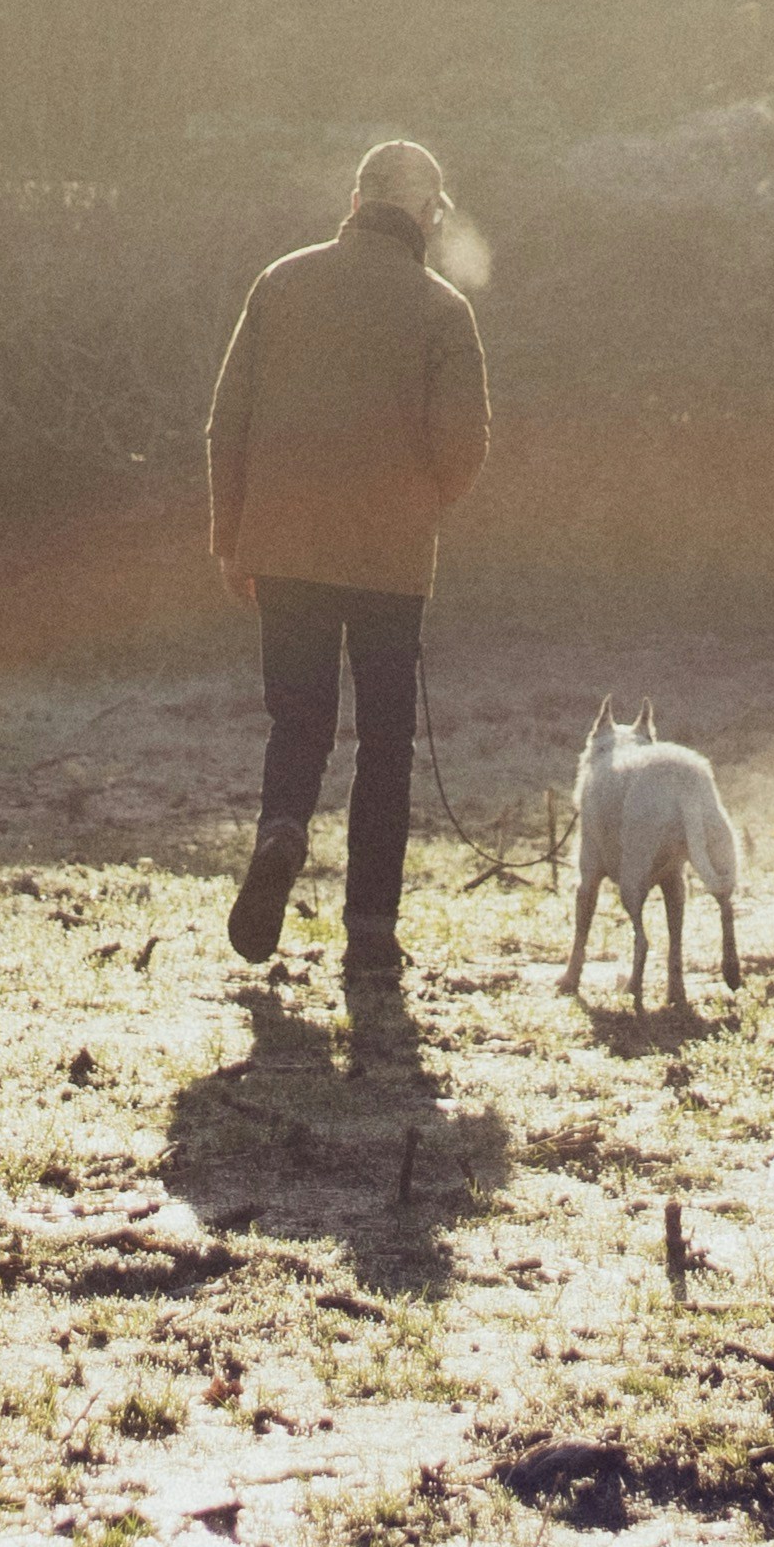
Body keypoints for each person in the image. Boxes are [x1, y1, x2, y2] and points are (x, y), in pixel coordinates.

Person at [202, 138, 492, 986]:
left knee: (298, 722)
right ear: (426, 214)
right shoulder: (442, 310)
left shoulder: (280, 282)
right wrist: (417, 504)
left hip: (284, 546)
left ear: (357, 201)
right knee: (386, 745)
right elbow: (464, 445)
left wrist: (232, 539)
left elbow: (227, 421)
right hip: (390, 562)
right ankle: (369, 931)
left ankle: (283, 831)